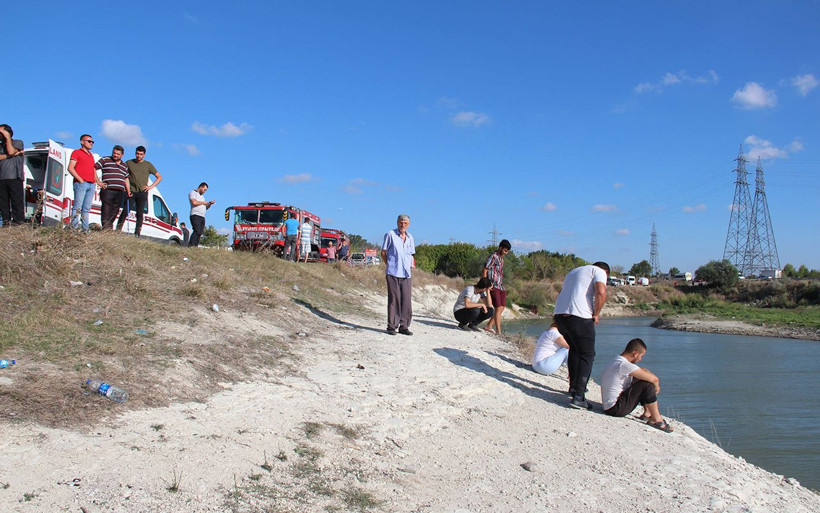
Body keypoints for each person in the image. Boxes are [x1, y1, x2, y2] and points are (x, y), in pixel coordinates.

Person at [554, 261, 610, 409]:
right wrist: (596, 314)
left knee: (575, 349)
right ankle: (579, 396)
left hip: (560, 316)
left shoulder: (574, 271)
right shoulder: (599, 272)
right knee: (587, 354)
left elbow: (560, 293)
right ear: (606, 273)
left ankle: (573, 387)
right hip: (579, 317)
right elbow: (601, 292)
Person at [601, 338, 674, 433]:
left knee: (641, 377)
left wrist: (647, 373)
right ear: (635, 353)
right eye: (641, 356)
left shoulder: (617, 361)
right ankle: (656, 420)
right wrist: (656, 386)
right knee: (647, 384)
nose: (640, 359)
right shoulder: (624, 365)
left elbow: (642, 371)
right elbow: (655, 379)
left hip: (610, 407)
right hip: (616, 409)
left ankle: (647, 413)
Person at [381, 214, 415, 336]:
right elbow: (383, 252)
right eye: (401, 222)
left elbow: (411, 255)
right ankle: (391, 326)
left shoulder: (410, 238)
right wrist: (389, 265)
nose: (403, 225)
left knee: (406, 300)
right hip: (393, 272)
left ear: (409, 224)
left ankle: (404, 326)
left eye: (405, 223)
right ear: (397, 222)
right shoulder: (390, 234)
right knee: (394, 299)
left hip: (406, 274)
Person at [68, 134, 102, 232]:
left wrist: (97, 181)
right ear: (82, 142)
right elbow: (70, 168)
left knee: (86, 209)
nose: (91, 143)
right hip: (81, 183)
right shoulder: (76, 152)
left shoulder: (91, 156)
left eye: (92, 142)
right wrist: (80, 179)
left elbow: (93, 170)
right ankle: (74, 228)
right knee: (77, 207)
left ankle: (85, 229)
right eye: (89, 141)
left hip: (91, 184)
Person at [125, 146, 162, 237]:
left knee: (140, 213)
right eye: (137, 154)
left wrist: (151, 186)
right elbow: (124, 176)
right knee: (126, 210)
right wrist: (127, 189)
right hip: (132, 191)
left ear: (144, 155)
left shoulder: (148, 165)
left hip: (142, 192)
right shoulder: (129, 163)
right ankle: (118, 229)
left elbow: (159, 177)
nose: (138, 156)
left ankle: (137, 233)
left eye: (141, 154)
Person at [95, 145, 131, 230]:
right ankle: (106, 228)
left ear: (122, 155)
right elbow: (94, 168)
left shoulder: (124, 165)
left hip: (120, 191)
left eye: (118, 154)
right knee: (106, 209)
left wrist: (128, 191)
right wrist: (98, 182)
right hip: (108, 190)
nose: (115, 155)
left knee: (115, 210)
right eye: (114, 153)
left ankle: (109, 227)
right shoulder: (105, 160)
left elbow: (126, 179)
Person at [483, 239, 511, 334]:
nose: (506, 253)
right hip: (493, 285)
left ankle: (489, 326)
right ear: (500, 248)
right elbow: (485, 269)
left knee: (502, 307)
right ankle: (499, 332)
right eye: (505, 251)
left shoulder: (501, 259)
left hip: (500, 286)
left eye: (507, 251)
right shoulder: (493, 257)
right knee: (498, 308)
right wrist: (485, 283)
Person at [0, 124, 25, 226]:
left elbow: (11, 150)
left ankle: (18, 222)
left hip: (15, 176)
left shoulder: (17, 142)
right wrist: (11, 155)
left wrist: (8, 138)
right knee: (3, 202)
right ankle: (6, 222)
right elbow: (10, 154)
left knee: (16, 201)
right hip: (1, 177)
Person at [188, 182, 214, 247]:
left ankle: (195, 246)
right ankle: (191, 245)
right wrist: (203, 202)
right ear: (201, 187)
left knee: (200, 232)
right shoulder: (193, 193)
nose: (205, 191)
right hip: (195, 215)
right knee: (197, 230)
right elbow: (194, 202)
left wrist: (209, 203)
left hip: (202, 216)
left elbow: (205, 208)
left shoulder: (202, 197)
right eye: (204, 190)